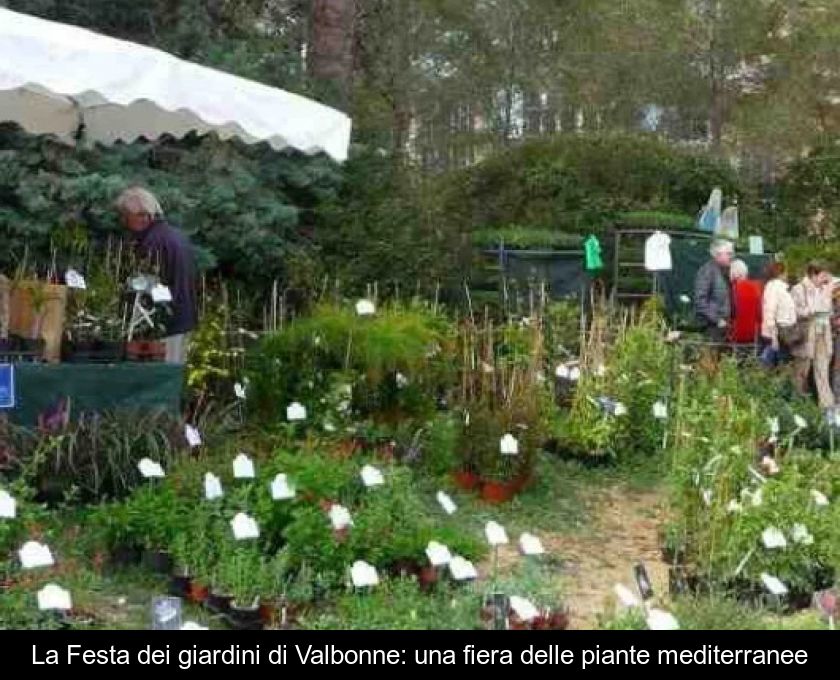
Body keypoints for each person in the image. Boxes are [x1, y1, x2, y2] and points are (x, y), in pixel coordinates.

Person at [116, 186, 198, 364]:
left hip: (163, 325)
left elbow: (148, 286)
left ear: (140, 215)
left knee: (159, 376)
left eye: (125, 215)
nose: (123, 221)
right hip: (183, 318)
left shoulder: (152, 242)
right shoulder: (177, 236)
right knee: (174, 376)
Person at [790, 261, 835, 408]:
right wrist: (819, 303)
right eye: (822, 275)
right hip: (807, 334)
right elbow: (799, 312)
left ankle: (827, 405)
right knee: (802, 372)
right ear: (813, 274)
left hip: (823, 333)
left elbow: (829, 311)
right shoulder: (798, 289)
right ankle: (799, 406)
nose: (825, 279)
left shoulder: (824, 288)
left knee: (822, 370)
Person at [694, 239, 734, 343]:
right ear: (718, 254)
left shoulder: (726, 271)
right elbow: (700, 301)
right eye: (729, 253)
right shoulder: (707, 271)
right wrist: (717, 320)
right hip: (711, 326)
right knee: (711, 356)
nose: (732, 256)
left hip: (725, 325)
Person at [759, 261, 797, 367]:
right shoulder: (775, 288)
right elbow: (770, 312)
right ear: (781, 273)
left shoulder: (777, 288)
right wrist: (773, 336)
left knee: (780, 364)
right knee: (779, 364)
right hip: (777, 333)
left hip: (781, 332)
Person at [728, 259, 762, 345]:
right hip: (755, 331)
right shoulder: (756, 287)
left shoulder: (734, 289)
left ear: (734, 273)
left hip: (738, 332)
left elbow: (731, 311)